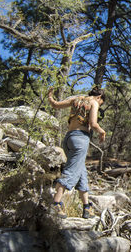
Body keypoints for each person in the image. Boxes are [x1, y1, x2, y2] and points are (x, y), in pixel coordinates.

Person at [47, 86, 106, 219]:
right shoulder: (94, 102)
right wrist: (102, 132)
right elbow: (93, 123)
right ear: (99, 97)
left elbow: (55, 105)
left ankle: (86, 208)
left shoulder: (75, 99)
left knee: (81, 172)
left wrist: (50, 96)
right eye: (101, 102)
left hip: (68, 138)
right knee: (71, 171)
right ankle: (55, 204)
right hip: (80, 140)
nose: (100, 104)